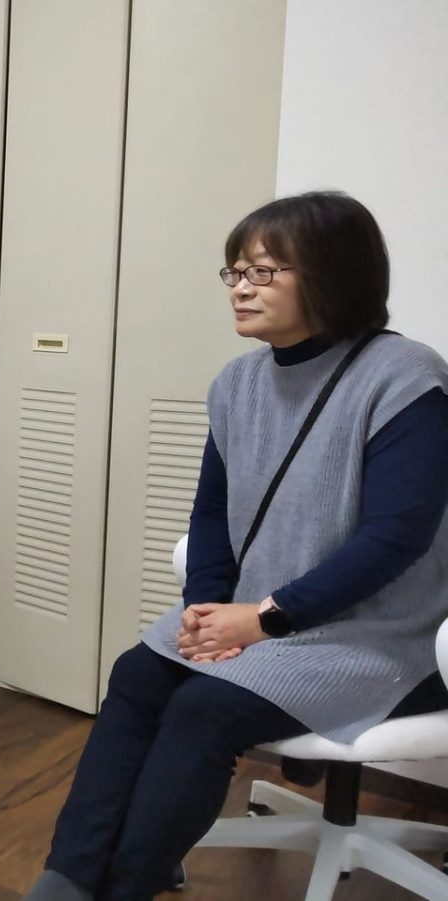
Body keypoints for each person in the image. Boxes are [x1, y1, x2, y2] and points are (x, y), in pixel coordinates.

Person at [26, 191, 448, 900]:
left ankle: (131, 883)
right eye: (236, 272)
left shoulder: (404, 375)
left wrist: (263, 619)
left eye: (264, 271)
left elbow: (395, 538)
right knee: (139, 674)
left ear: (332, 274)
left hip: (374, 634)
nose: (241, 288)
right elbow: (214, 515)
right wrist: (205, 610)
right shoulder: (238, 383)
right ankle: (66, 879)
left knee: (205, 709)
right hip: (258, 618)